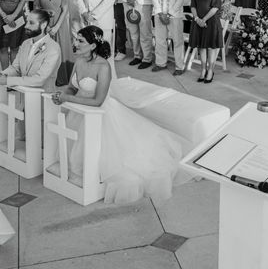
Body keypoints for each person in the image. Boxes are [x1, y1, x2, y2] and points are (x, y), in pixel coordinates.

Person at [52, 25, 185, 204]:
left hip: (99, 113)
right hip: (78, 112)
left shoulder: (103, 66)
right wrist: (61, 94)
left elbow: (98, 101)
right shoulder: (79, 61)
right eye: (76, 39)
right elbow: (72, 87)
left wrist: (67, 98)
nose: (75, 43)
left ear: (92, 46)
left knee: (117, 162)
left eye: (80, 41)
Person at [0, 9, 61, 92]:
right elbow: (16, 68)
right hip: (22, 95)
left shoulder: (53, 48)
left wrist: (7, 81)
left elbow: (40, 79)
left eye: (31, 23)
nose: (26, 26)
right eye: (27, 22)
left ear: (43, 25)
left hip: (43, 98)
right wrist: (2, 75)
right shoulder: (25, 43)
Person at [34, 0, 73, 86]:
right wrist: (45, 23)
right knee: (45, 51)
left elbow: (65, 9)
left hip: (59, 25)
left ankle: (61, 78)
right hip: (44, 25)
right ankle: (46, 76)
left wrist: (56, 27)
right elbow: (36, 11)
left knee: (61, 50)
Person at [153, 0, 187, 76]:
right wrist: (161, 13)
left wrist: (169, 14)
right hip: (159, 14)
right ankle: (161, 63)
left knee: (177, 41)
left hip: (174, 16)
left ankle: (179, 66)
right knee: (160, 40)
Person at [189, 0, 223, 83]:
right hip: (198, 21)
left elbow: (215, 6)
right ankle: (203, 70)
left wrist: (204, 20)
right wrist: (197, 19)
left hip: (211, 21)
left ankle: (210, 71)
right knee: (201, 47)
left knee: (210, 47)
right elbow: (193, 5)